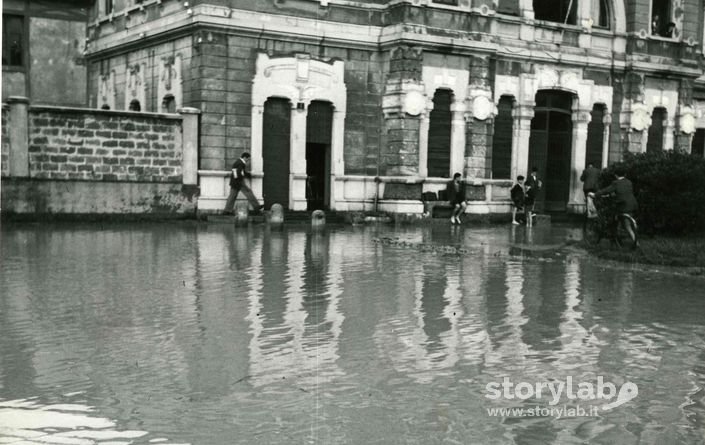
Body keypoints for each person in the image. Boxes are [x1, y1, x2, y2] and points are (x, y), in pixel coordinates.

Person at [590, 166, 638, 246]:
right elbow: (624, 193)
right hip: (632, 205)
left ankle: (615, 236)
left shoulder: (616, 183)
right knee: (627, 225)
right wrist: (614, 195)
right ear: (625, 174)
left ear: (615, 175)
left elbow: (606, 190)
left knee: (614, 218)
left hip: (622, 206)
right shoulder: (629, 182)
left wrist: (595, 194)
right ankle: (633, 242)